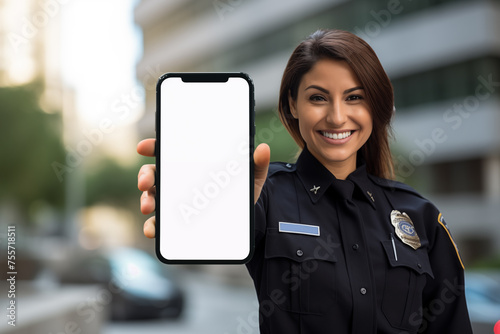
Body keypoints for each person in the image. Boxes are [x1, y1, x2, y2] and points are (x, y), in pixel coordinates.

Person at [137, 29, 472, 333]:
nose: (337, 116)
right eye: (318, 98)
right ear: (292, 105)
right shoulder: (264, 195)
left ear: (376, 107)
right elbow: (208, 238)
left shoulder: (421, 216)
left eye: (355, 97)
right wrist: (192, 197)